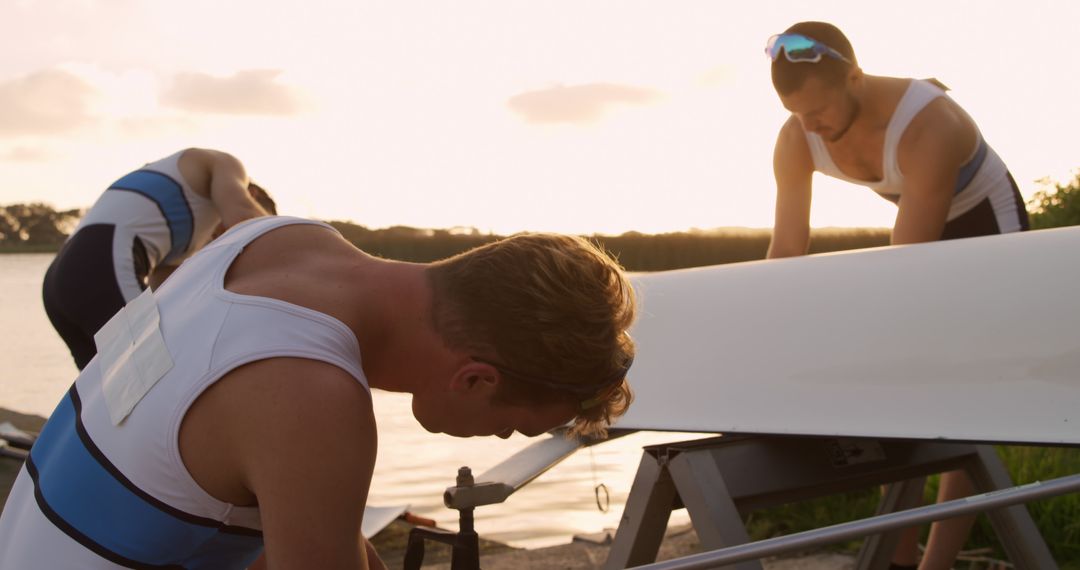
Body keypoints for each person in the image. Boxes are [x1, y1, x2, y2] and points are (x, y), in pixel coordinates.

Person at [0, 214, 637, 569]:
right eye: (514, 428)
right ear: (476, 379)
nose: (501, 439)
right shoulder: (312, 398)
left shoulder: (274, 239)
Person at [765, 22, 1029, 570]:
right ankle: (898, 559)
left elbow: (904, 265)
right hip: (919, 235)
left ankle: (936, 564)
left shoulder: (930, 123)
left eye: (819, 112)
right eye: (798, 114)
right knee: (898, 388)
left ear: (856, 78)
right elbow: (786, 249)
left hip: (988, 233)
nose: (811, 126)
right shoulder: (798, 134)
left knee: (970, 402)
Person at [41, 147, 277, 370]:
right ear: (250, 193)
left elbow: (168, 301)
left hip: (57, 282)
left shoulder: (175, 228)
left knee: (108, 398)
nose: (220, 239)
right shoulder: (221, 163)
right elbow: (248, 221)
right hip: (101, 265)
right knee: (156, 377)